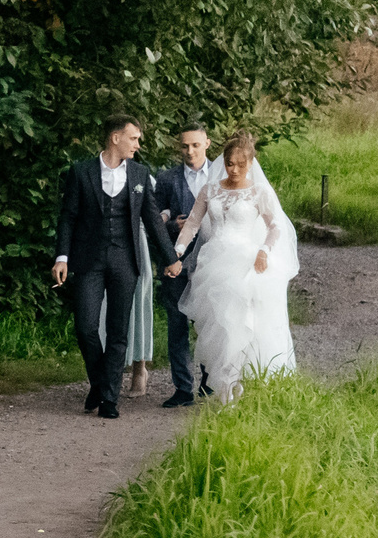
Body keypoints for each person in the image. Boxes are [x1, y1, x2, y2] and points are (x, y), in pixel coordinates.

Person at [51, 116, 184, 419]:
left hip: (125, 260)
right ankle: (99, 383)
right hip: (89, 260)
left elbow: (151, 220)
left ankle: (109, 398)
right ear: (115, 138)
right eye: (134, 138)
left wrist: (170, 258)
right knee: (85, 326)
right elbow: (68, 217)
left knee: (118, 330)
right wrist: (62, 257)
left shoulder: (139, 173)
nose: (138, 144)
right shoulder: (81, 172)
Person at [170, 131, 297, 399]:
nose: (235, 169)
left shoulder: (259, 191)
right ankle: (224, 388)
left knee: (242, 324)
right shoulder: (211, 189)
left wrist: (264, 250)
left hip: (246, 263)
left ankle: (240, 387)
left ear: (251, 163)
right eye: (230, 163)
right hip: (215, 263)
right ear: (223, 162)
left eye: (241, 164)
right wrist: (177, 253)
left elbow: (275, 226)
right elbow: (193, 223)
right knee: (218, 324)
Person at [153, 124, 215, 406]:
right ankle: (181, 387)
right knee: (177, 323)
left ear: (207, 144)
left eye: (195, 145)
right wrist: (172, 228)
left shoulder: (221, 174)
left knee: (208, 321)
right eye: (184, 146)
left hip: (212, 260)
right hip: (175, 260)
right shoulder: (167, 179)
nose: (189, 151)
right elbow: (152, 220)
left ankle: (209, 381)